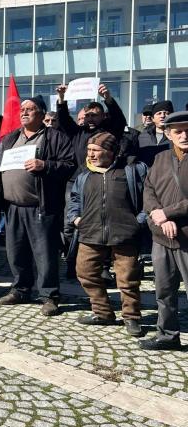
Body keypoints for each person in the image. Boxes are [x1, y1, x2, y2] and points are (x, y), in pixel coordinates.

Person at [0, 96, 76, 316]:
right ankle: (21, 289)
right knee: (15, 251)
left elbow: (70, 165)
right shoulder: (11, 138)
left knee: (45, 253)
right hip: (13, 206)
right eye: (22, 109)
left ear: (41, 114)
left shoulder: (55, 137)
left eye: (30, 109)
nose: (24, 113)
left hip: (41, 206)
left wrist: (45, 165)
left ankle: (49, 295)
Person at [66, 133, 146, 337]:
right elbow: (74, 198)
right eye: (89, 150)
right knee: (85, 272)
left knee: (128, 278)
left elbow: (148, 197)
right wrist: (75, 218)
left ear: (110, 152)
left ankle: (131, 317)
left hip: (124, 233)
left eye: (95, 150)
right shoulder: (84, 175)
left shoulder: (130, 170)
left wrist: (139, 221)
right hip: (90, 232)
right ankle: (102, 313)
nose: (90, 154)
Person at [140, 110, 188, 350]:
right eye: (178, 131)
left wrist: (169, 213)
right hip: (161, 237)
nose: (184, 135)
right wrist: (159, 217)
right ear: (168, 134)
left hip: (187, 238)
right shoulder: (160, 158)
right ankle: (167, 335)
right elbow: (148, 190)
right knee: (164, 290)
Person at [139, 100, 174, 167]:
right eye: (159, 113)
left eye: (166, 113)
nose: (162, 116)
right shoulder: (142, 136)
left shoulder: (178, 136)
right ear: (153, 118)